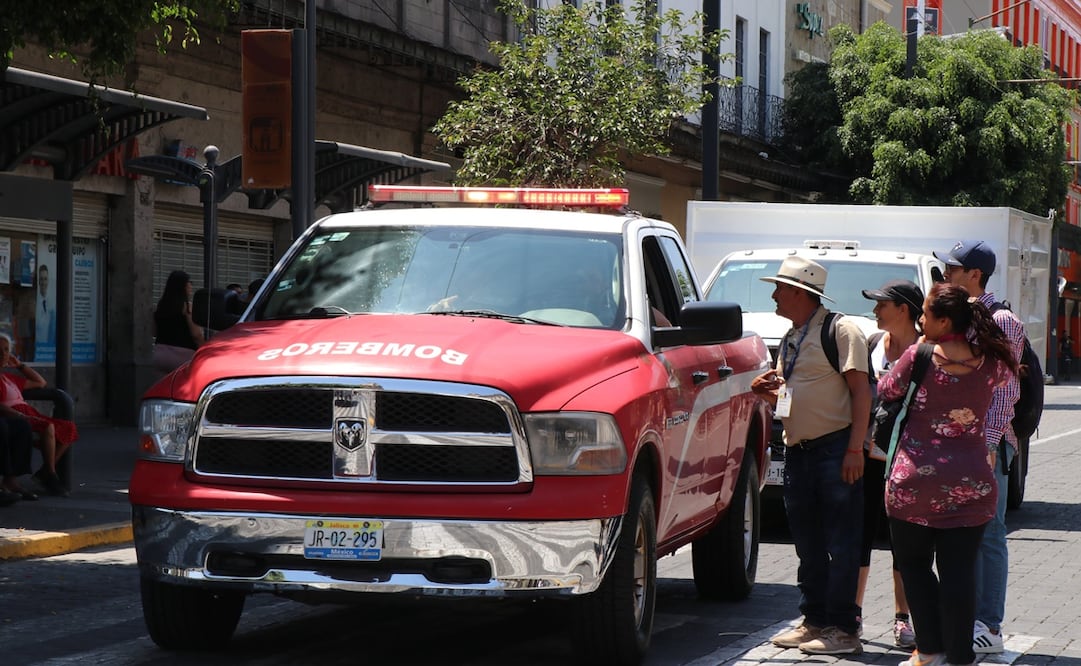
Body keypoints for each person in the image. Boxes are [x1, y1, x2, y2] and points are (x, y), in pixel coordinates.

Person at [879, 282, 1017, 666]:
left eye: (925, 313)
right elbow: (1007, 384)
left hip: (915, 485)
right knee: (959, 574)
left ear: (943, 320)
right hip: (972, 484)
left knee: (916, 569)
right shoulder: (991, 363)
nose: (920, 319)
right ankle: (959, 656)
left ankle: (929, 650)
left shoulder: (917, 356)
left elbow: (886, 389)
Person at [752, 256, 870, 656]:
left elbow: (861, 392)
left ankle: (843, 628)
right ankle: (816, 620)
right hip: (799, 451)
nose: (774, 294)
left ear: (801, 293)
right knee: (808, 543)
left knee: (841, 540)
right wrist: (767, 394)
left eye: (780, 288)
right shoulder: (792, 337)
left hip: (835, 449)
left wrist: (855, 449)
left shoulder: (841, 331)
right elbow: (791, 396)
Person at [933, 240, 1023, 656]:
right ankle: (965, 618)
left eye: (952, 268)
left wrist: (986, 443)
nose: (945, 274)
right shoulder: (958, 315)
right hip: (954, 445)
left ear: (974, 274)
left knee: (989, 534)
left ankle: (989, 625)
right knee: (957, 534)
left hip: (985, 446)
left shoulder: (1001, 320)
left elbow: (1005, 389)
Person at [859, 279, 924, 649]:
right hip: (868, 457)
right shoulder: (871, 345)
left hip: (909, 461)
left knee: (904, 544)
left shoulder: (926, 351)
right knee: (861, 533)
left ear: (903, 309)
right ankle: (853, 615)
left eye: (881, 304)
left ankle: (903, 620)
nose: (875, 310)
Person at [0, 334, 75, 496]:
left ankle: (46, 471)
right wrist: (21, 415)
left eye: (6, 350)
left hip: (27, 413)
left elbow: (40, 382)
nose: (3, 354)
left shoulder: (9, 378)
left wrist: (20, 365)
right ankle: (50, 474)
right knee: (48, 427)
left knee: (68, 428)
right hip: (14, 414)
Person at [152, 270, 204, 372]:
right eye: (189, 282)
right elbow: (196, 334)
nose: (191, 286)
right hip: (183, 356)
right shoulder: (187, 307)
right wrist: (204, 349)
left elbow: (154, 331)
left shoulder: (160, 306)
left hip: (160, 354)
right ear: (183, 285)